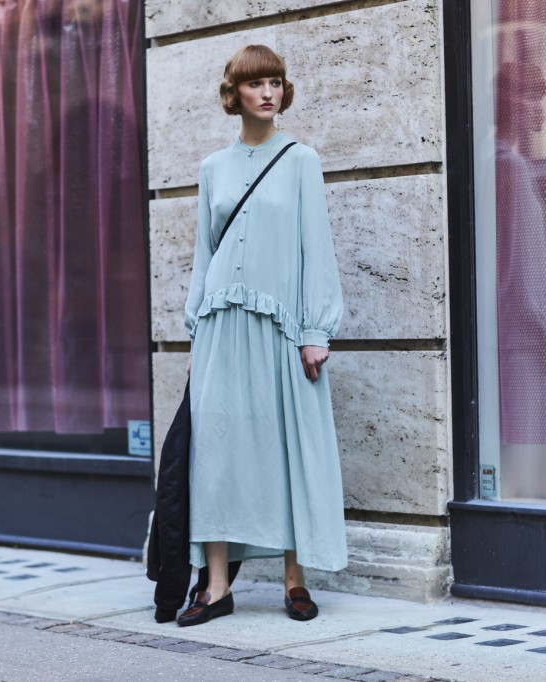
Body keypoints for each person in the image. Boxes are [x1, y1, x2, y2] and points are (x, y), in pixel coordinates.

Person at [177, 44, 347, 627]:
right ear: (236, 94)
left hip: (280, 328)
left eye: (276, 81)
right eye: (256, 84)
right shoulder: (211, 169)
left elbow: (315, 249)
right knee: (218, 450)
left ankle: (295, 580)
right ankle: (217, 585)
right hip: (221, 326)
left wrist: (315, 329)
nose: (268, 92)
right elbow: (204, 255)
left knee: (287, 446)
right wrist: (195, 328)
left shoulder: (301, 159)